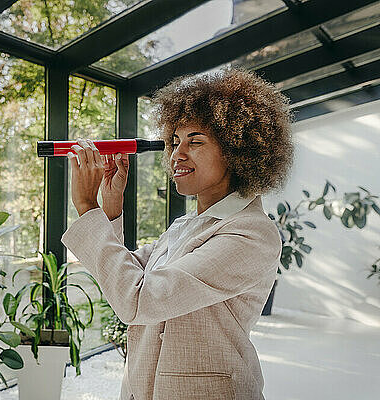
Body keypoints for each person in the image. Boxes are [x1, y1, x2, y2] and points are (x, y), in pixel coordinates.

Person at [61, 67, 294, 400]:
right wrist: (110, 209)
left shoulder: (252, 234)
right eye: (173, 142)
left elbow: (139, 300)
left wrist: (87, 207)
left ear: (236, 150)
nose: (177, 155)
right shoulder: (184, 226)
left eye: (195, 142)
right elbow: (124, 275)